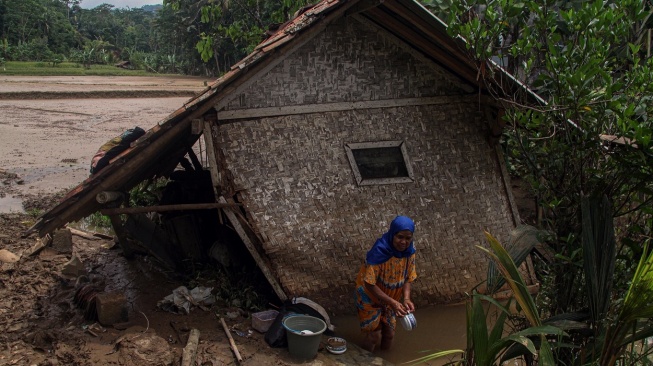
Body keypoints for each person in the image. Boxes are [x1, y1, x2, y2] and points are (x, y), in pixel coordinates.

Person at [354, 215, 417, 352]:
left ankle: (385, 360)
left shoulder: (409, 253)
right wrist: (393, 303)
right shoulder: (379, 252)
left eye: (408, 238)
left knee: (389, 334)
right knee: (373, 336)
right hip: (369, 296)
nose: (404, 242)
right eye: (400, 237)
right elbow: (370, 283)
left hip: (390, 299)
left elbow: (408, 277)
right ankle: (363, 361)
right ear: (392, 234)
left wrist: (406, 298)